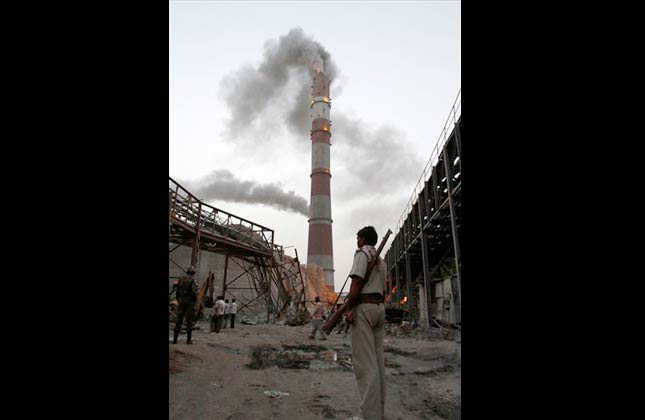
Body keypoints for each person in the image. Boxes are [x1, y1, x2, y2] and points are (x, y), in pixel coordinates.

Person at [344, 226, 387, 420]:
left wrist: (348, 308)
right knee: (377, 363)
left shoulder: (362, 255)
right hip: (379, 309)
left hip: (364, 309)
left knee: (365, 365)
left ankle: (368, 415)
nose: (356, 241)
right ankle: (378, 410)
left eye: (357, 237)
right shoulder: (380, 259)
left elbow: (356, 284)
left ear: (362, 239)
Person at [172, 265, 198, 345]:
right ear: (193, 273)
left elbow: (177, 291)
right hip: (189, 301)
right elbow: (194, 292)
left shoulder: (181, 279)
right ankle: (188, 340)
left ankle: (175, 340)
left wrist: (178, 300)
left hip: (181, 300)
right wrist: (194, 300)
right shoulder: (192, 280)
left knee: (179, 319)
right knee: (189, 320)